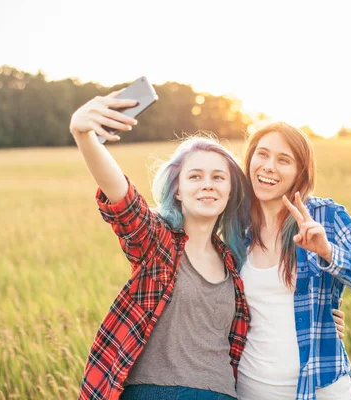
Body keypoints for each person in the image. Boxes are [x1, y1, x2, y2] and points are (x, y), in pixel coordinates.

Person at [70, 90, 252, 400]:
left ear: (230, 191)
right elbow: (122, 198)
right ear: (178, 191)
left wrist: (326, 320)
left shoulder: (235, 260)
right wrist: (83, 134)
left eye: (218, 177)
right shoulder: (158, 240)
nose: (207, 184)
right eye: (195, 176)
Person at [236, 122, 351, 400]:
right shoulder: (236, 226)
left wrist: (329, 253)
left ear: (300, 172)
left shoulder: (327, 217)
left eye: (283, 160)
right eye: (262, 154)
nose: (268, 166)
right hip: (250, 389)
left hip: (320, 389)